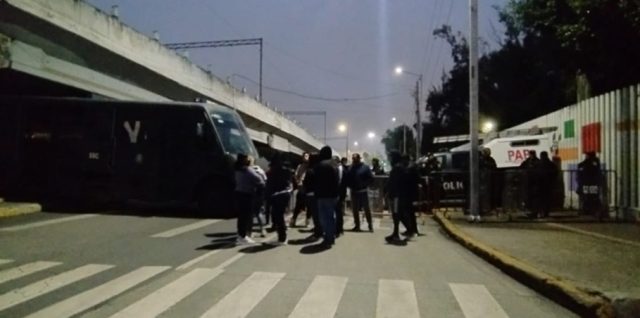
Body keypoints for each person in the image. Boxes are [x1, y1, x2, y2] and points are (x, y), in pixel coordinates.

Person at [234, 154, 265, 245]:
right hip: (247, 194)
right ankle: (243, 237)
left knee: (241, 217)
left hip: (238, 193)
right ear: (244, 160)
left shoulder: (237, 169)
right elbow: (259, 180)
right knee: (246, 216)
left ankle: (240, 235)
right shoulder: (247, 170)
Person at [314, 146, 340, 247]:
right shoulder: (335, 164)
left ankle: (328, 238)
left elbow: (317, 181)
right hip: (333, 195)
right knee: (331, 216)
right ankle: (331, 236)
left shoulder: (320, 165)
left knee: (324, 217)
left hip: (323, 195)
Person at [265, 154, 293, 245]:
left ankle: (282, 238)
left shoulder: (271, 172)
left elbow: (269, 186)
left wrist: (267, 197)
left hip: (276, 195)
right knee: (280, 216)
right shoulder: (287, 171)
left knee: (278, 217)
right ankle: (282, 236)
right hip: (285, 194)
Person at [345, 153, 374, 232]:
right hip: (354, 191)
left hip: (363, 191)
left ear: (359, 159)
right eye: (353, 159)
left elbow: (371, 178)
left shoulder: (365, 168)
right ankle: (357, 225)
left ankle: (370, 225)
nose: (354, 160)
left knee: (366, 209)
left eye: (355, 158)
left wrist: (365, 184)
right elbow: (347, 178)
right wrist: (349, 185)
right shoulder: (351, 168)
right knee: (355, 209)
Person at [533, 151, 558, 218]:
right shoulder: (551, 164)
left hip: (539, 185)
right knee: (547, 199)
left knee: (539, 199)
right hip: (548, 185)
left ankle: (540, 212)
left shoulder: (537, 164)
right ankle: (546, 212)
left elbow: (534, 174)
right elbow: (555, 173)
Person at [577, 151, 602, 217]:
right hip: (591, 182)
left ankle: (591, 210)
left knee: (590, 196)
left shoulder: (591, 161)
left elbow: (580, 165)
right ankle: (590, 210)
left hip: (589, 182)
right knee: (590, 196)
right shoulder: (594, 161)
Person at [290, 152, 309, 227]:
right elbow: (295, 175)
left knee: (309, 205)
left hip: (308, 187)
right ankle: (293, 219)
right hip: (301, 187)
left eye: (307, 156)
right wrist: (298, 182)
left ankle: (307, 220)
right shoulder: (300, 166)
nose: (306, 157)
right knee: (298, 204)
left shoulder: (311, 166)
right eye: (305, 156)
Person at [519, 150, 539, 216]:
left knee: (534, 197)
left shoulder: (537, 161)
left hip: (534, 181)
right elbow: (521, 166)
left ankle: (534, 211)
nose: (531, 156)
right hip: (528, 181)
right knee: (529, 196)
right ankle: (530, 210)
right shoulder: (528, 161)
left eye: (532, 154)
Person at [334, 156, 346, 237]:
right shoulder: (340, 169)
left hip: (338, 193)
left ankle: (339, 229)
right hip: (338, 193)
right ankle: (339, 229)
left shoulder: (340, 169)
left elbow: (340, 182)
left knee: (338, 212)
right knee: (338, 212)